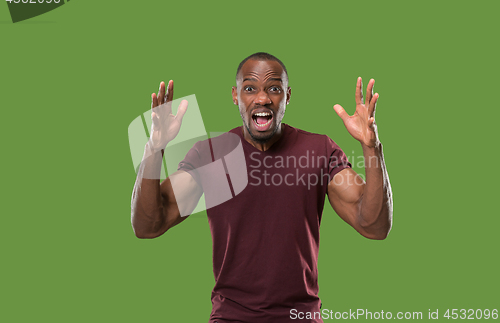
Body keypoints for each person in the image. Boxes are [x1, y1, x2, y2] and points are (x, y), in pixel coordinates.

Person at [131, 52, 393, 323]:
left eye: (274, 88)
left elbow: (374, 225)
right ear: (235, 96)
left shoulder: (318, 150)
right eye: (249, 88)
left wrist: (371, 148)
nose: (262, 98)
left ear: (287, 96)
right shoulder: (211, 154)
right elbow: (148, 225)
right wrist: (154, 148)